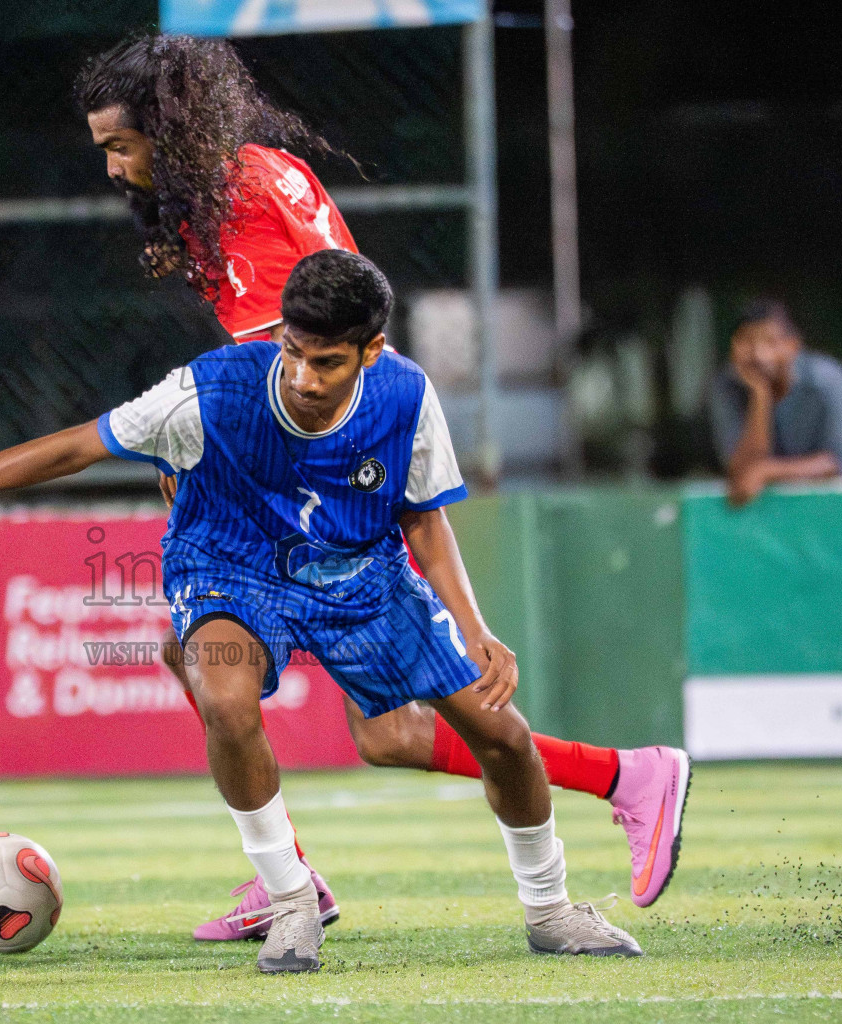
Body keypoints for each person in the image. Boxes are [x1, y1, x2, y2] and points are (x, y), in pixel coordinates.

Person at [0, 250, 645, 971]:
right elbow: (74, 446)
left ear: (371, 351)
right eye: (294, 353)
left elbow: (423, 518)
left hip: (360, 577)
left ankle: (550, 912)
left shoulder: (405, 396)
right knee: (223, 696)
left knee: (503, 736)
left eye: (328, 362)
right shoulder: (207, 392)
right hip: (229, 567)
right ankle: (290, 902)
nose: (305, 377)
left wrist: (476, 627)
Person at [73, 33, 689, 935]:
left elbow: (278, 368)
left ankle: (292, 879)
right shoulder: (257, 175)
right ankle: (625, 777)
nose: (114, 166)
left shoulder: (238, 205)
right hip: (345, 454)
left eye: (121, 145)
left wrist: (189, 461)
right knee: (387, 733)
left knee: (204, 661)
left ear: (168, 129)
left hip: (323, 473)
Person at [710, 299, 842, 506]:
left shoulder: (828, 379)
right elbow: (742, 473)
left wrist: (767, 471)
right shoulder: (728, 384)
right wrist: (760, 396)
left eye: (770, 342)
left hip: (823, 510)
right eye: (749, 342)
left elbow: (836, 463)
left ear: (793, 345)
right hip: (758, 517)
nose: (759, 355)